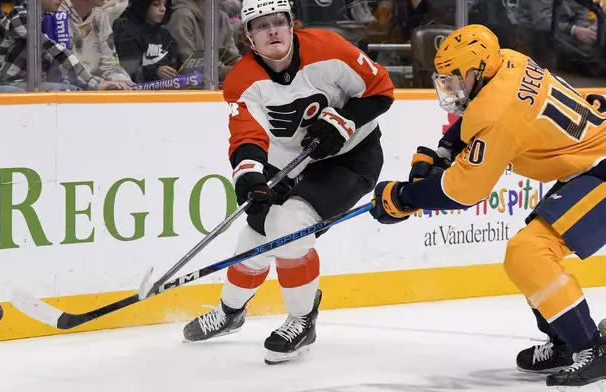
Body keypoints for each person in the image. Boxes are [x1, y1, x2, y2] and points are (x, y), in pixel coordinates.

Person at [369, 24, 606, 387]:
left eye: (455, 79)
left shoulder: (499, 114)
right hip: (588, 162)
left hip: (599, 168)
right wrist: (444, 152)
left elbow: (464, 191)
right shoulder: (508, 61)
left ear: (477, 70)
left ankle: (591, 348)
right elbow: (474, 113)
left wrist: (403, 197)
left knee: (529, 252)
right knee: (529, 252)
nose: (451, 88)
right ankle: (564, 340)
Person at [181, 0, 394, 365]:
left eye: (278, 22)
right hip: (290, 166)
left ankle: (302, 319)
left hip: (351, 159)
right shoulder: (242, 80)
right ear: (248, 37)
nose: (273, 31)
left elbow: (381, 88)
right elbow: (247, 135)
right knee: (253, 236)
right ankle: (230, 313)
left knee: (288, 226)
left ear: (291, 24)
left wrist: (344, 120)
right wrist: (250, 176)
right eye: (261, 26)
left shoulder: (329, 48)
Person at [113, 0, 179, 83]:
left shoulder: (164, 34)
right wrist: (155, 71)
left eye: (165, 5)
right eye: (156, 4)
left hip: (165, 87)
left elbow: (175, 61)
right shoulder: (127, 32)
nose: (163, 9)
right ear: (142, 6)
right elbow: (129, 69)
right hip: (136, 90)